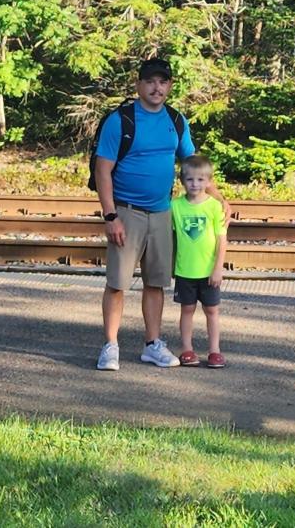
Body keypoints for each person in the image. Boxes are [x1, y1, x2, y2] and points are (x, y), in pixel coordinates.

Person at [93, 57, 195, 371]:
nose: (156, 87)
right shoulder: (121, 120)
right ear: (139, 85)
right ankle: (110, 346)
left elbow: (192, 164)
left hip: (162, 213)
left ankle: (152, 344)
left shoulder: (176, 120)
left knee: (156, 282)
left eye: (162, 82)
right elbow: (103, 170)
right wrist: (111, 216)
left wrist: (217, 199)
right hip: (127, 212)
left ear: (170, 86)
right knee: (118, 283)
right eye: (150, 81)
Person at [171, 154, 228, 368]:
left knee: (212, 310)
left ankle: (214, 350)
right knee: (187, 309)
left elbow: (221, 240)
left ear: (209, 181)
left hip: (208, 271)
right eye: (190, 179)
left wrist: (218, 268)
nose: (195, 184)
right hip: (185, 270)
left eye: (200, 179)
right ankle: (187, 349)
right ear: (182, 181)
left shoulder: (214, 207)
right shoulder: (175, 206)